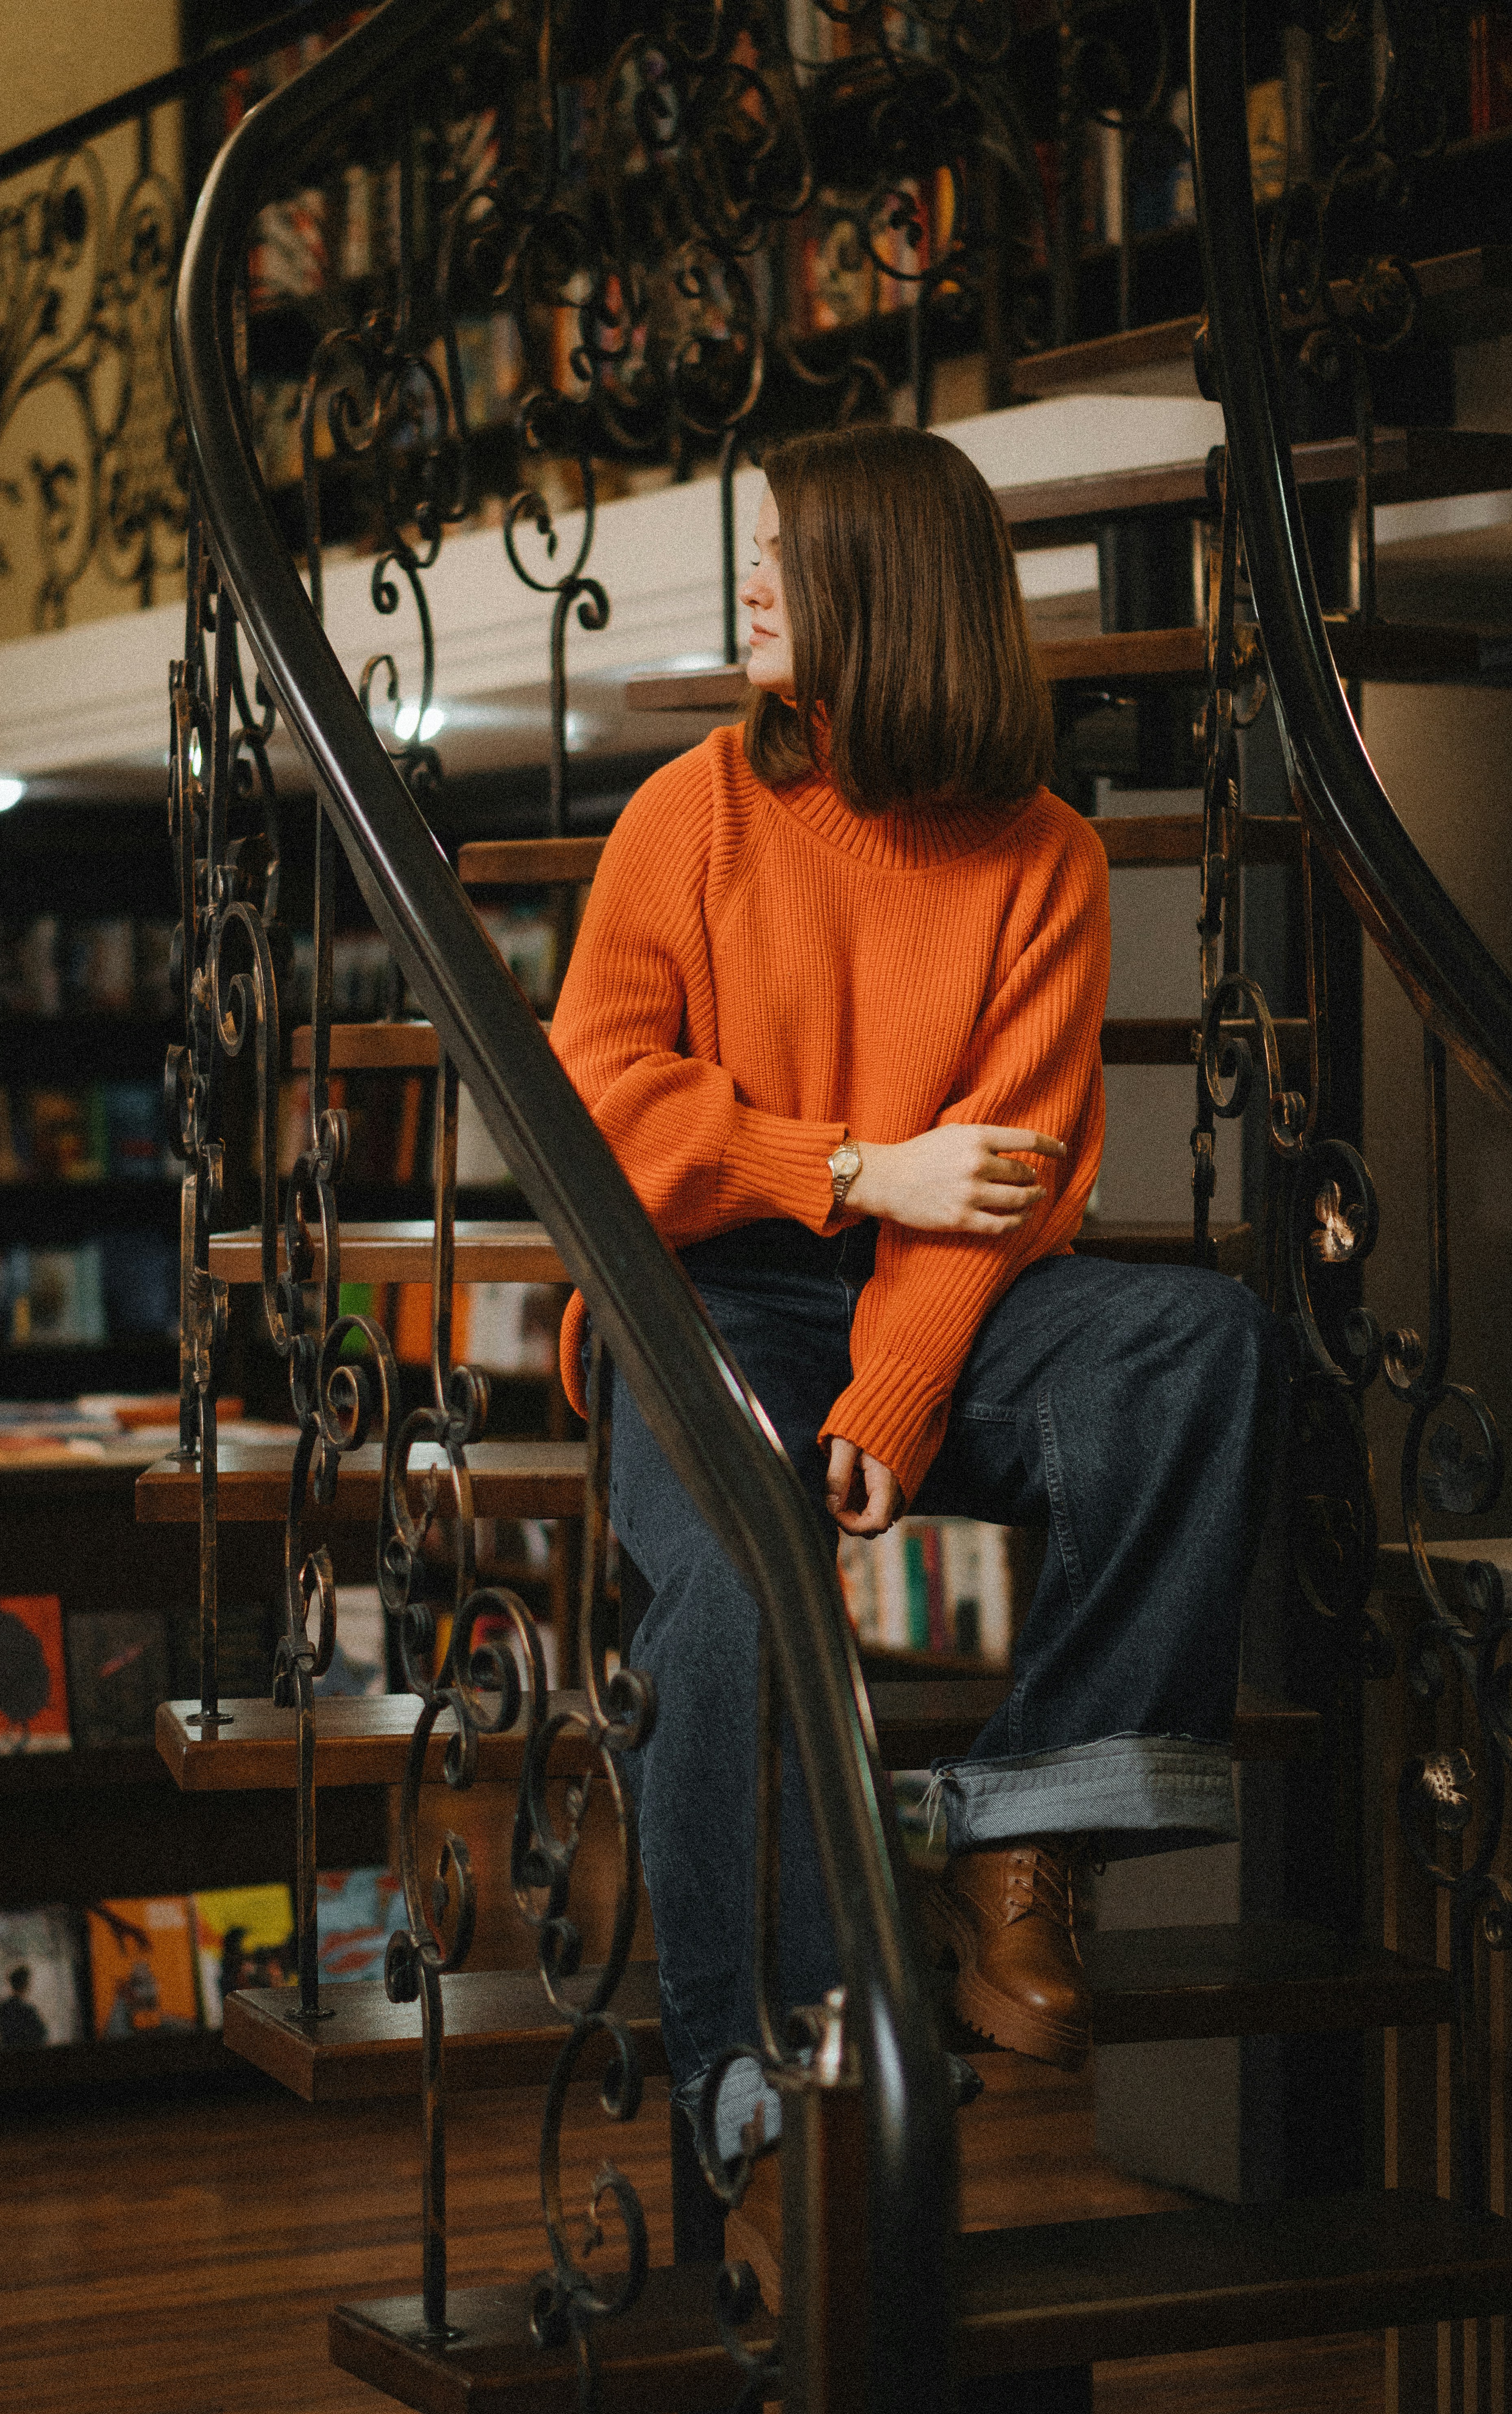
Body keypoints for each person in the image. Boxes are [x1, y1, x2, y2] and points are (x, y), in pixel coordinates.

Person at [549, 423, 1284, 2144]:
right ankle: (764, 2058)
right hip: (703, 1289)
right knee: (739, 1581)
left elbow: (1008, 1180)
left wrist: (891, 1391)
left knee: (1199, 1344)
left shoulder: (1045, 860)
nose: (748, 582)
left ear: (886, 593)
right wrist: (851, 1170)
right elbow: (593, 1115)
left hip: (941, 1293)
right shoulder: (692, 814)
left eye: (782, 553)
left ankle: (1022, 1832)